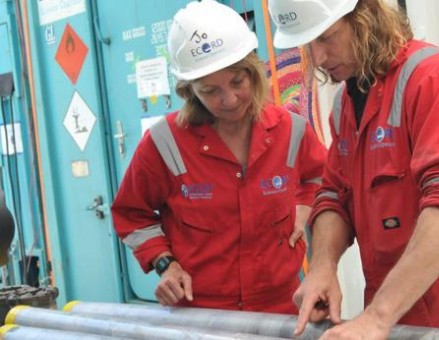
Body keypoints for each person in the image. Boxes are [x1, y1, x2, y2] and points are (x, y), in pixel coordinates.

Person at [268, 0, 439, 337]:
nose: (319, 57)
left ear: (365, 15)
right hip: (385, 304)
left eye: (326, 37)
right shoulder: (344, 104)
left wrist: (378, 317)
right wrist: (323, 265)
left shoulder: (435, 76)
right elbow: (334, 196)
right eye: (309, 44)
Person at [111, 0, 326, 314]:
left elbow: (325, 177)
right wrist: (165, 264)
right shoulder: (163, 143)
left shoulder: (292, 131)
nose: (229, 99)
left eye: (237, 81)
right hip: (201, 315)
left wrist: (306, 201)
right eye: (210, 90)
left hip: (281, 309)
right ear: (189, 91)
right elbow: (131, 215)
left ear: (253, 71)